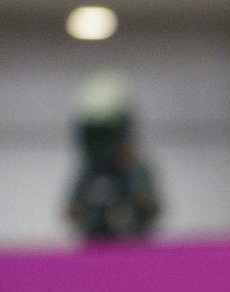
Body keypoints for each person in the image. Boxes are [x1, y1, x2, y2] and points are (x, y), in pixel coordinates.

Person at [65, 72, 161, 240]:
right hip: (95, 248)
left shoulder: (136, 169)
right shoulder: (89, 171)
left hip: (132, 248)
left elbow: (152, 208)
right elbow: (70, 211)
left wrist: (131, 174)